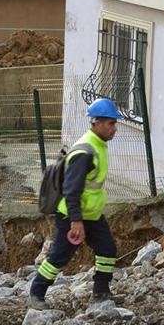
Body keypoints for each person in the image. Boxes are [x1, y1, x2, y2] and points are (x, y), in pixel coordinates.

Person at [29, 98, 122, 310]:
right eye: (110, 123)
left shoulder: (97, 145)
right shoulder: (84, 152)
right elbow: (72, 191)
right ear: (96, 123)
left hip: (92, 214)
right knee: (60, 256)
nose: (114, 128)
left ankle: (101, 292)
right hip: (73, 216)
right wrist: (76, 221)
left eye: (114, 123)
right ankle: (36, 293)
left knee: (107, 249)